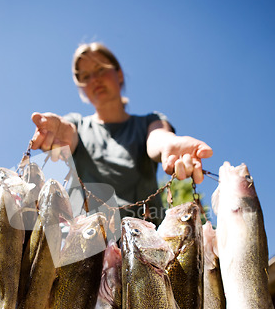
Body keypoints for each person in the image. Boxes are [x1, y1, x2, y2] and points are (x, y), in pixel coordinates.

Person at [31, 42, 213, 225]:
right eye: (86, 76)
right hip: (87, 242)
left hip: (144, 241)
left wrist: (169, 145)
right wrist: (60, 132)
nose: (94, 79)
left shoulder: (149, 122)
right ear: (82, 90)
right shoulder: (77, 124)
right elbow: (68, 131)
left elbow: (159, 137)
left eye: (100, 69)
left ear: (119, 74)